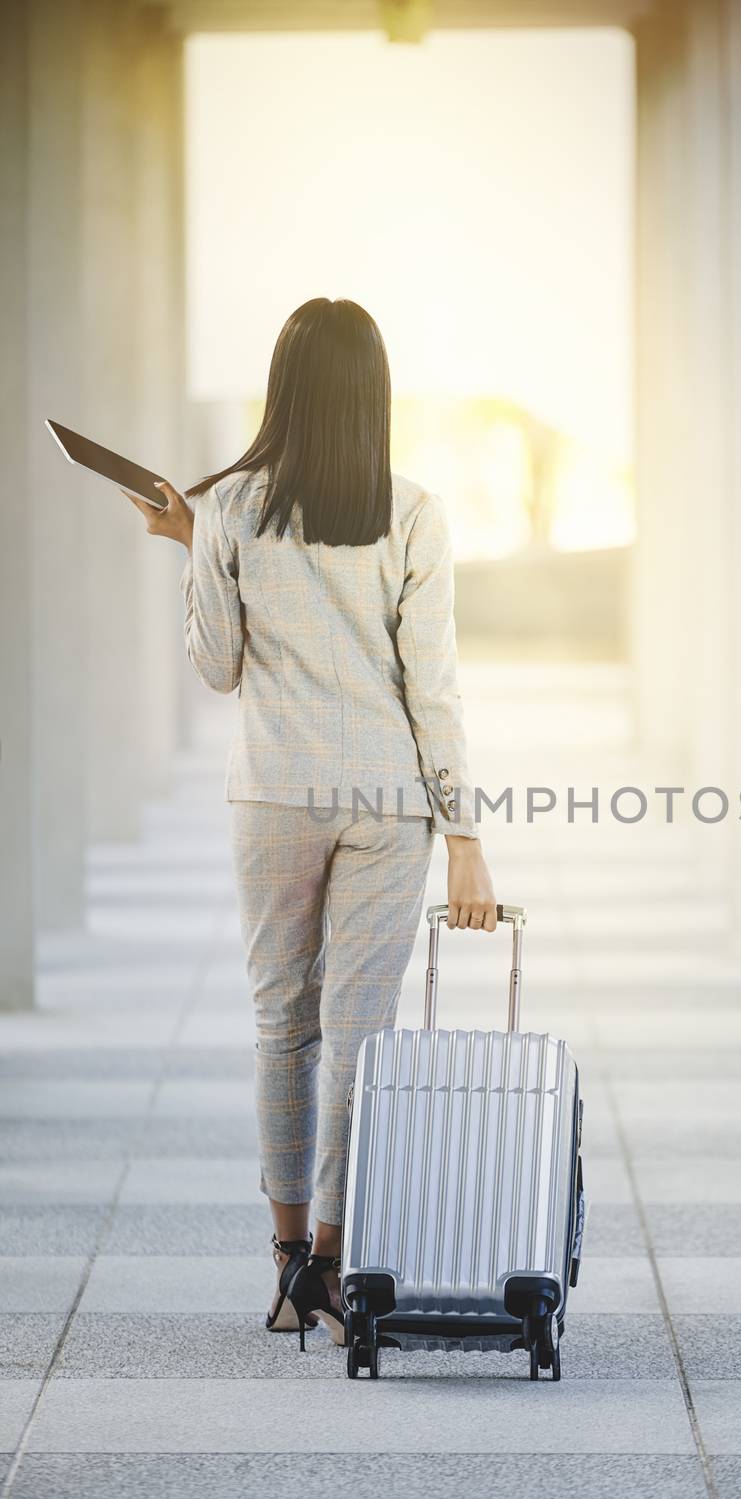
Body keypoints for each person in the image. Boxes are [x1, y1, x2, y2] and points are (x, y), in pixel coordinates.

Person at [123, 296, 496, 1348]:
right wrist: (464, 840)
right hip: (387, 803)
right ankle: (337, 1267)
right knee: (356, 1039)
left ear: (282, 391)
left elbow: (219, 664)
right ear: (373, 390)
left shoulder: (233, 504)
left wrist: (194, 547)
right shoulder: (415, 509)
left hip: (275, 795)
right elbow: (435, 688)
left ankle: (287, 1264)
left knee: (281, 1026)